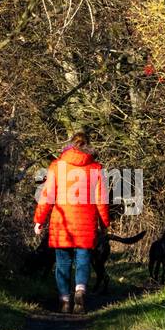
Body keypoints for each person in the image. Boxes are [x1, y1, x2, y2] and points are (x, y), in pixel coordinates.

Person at [33, 131, 110, 313]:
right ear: (88, 146)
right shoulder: (96, 169)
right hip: (86, 223)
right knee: (83, 260)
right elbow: (102, 200)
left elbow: (47, 196)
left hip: (62, 223)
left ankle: (65, 300)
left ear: (69, 144)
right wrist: (104, 224)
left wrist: (39, 220)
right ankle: (80, 290)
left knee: (63, 262)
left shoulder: (57, 167)